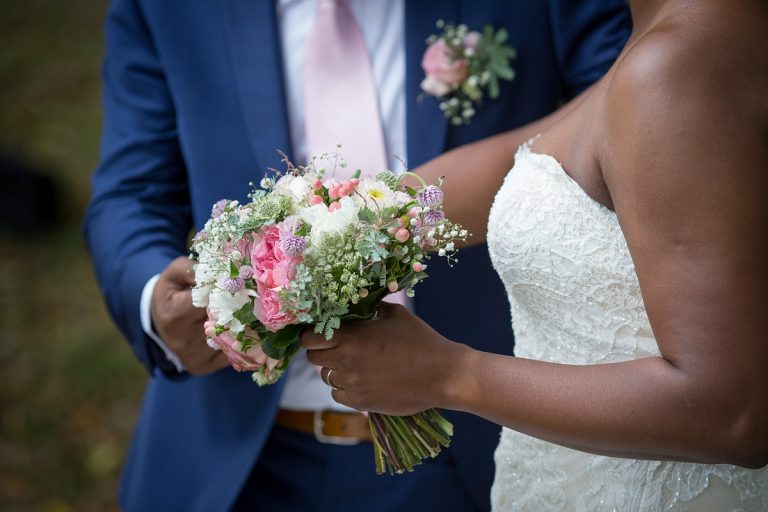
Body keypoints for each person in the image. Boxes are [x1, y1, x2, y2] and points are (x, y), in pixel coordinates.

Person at [83, 0, 631, 510]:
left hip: (474, 440)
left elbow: (634, 97)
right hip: (239, 458)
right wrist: (153, 298)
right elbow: (130, 192)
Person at [302, 0, 768, 509]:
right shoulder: (675, 38)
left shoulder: (679, 65)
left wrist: (447, 374)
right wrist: (290, 246)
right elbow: (520, 155)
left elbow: (732, 413)